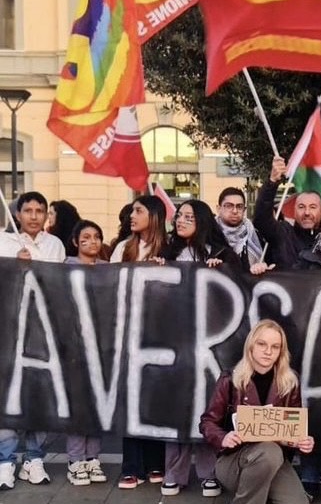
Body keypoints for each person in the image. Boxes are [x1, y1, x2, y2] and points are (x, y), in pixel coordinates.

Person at [159, 199, 237, 497]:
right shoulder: (167, 253)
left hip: (211, 346)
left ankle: (209, 473)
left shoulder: (221, 253)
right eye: (179, 216)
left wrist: (224, 270)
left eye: (188, 217)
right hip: (175, 342)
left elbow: (239, 290)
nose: (180, 221)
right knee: (176, 406)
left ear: (202, 221)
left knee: (209, 406)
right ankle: (174, 473)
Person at [199, 319, 314, 504]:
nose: (268, 351)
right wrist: (223, 438)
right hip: (234, 460)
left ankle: (260, 492)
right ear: (251, 346)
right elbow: (207, 422)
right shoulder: (230, 380)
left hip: (274, 461)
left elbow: (293, 425)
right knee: (269, 451)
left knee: (298, 502)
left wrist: (301, 440)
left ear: (281, 351)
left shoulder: (290, 383)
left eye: (275, 347)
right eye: (262, 344)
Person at [0, 191, 65, 489]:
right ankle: (5, 460)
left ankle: (34, 457)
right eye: (29, 210)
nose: (34, 216)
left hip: (42, 331)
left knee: (39, 394)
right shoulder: (3, 242)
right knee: (8, 395)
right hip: (8, 329)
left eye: (40, 211)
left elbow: (61, 285)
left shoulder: (55, 245)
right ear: (18, 214)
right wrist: (13, 266)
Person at [109, 195, 168, 489]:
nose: (132, 216)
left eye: (138, 211)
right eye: (132, 210)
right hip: (129, 336)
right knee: (130, 400)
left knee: (155, 401)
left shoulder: (169, 249)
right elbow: (109, 285)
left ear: (154, 216)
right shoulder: (123, 248)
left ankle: (156, 463)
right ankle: (131, 466)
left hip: (160, 337)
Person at [63, 219, 109, 485]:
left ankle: (93, 458)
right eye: (86, 237)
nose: (92, 241)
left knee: (97, 405)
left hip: (101, 349)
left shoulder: (107, 270)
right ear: (75, 242)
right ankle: (75, 460)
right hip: (73, 348)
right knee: (78, 405)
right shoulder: (64, 267)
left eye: (97, 237)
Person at [254, 156, 321, 269]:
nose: (307, 212)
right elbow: (261, 219)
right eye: (301, 207)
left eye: (313, 207)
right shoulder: (283, 234)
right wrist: (272, 182)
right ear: (294, 211)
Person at [216, 186, 266, 270]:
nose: (235, 211)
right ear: (219, 209)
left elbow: (263, 263)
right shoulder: (208, 234)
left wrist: (261, 267)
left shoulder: (254, 234)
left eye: (239, 207)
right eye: (229, 206)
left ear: (244, 210)